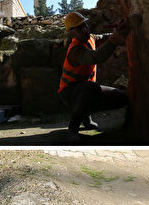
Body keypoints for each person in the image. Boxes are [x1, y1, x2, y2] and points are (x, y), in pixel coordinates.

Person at [58, 11, 135, 142]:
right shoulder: (75, 50)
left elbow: (105, 37)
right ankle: (73, 129)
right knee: (90, 88)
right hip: (69, 93)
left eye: (85, 25)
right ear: (71, 33)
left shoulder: (90, 38)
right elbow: (96, 57)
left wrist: (119, 31)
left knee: (122, 98)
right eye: (79, 28)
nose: (84, 29)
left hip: (84, 90)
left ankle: (85, 116)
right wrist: (116, 39)